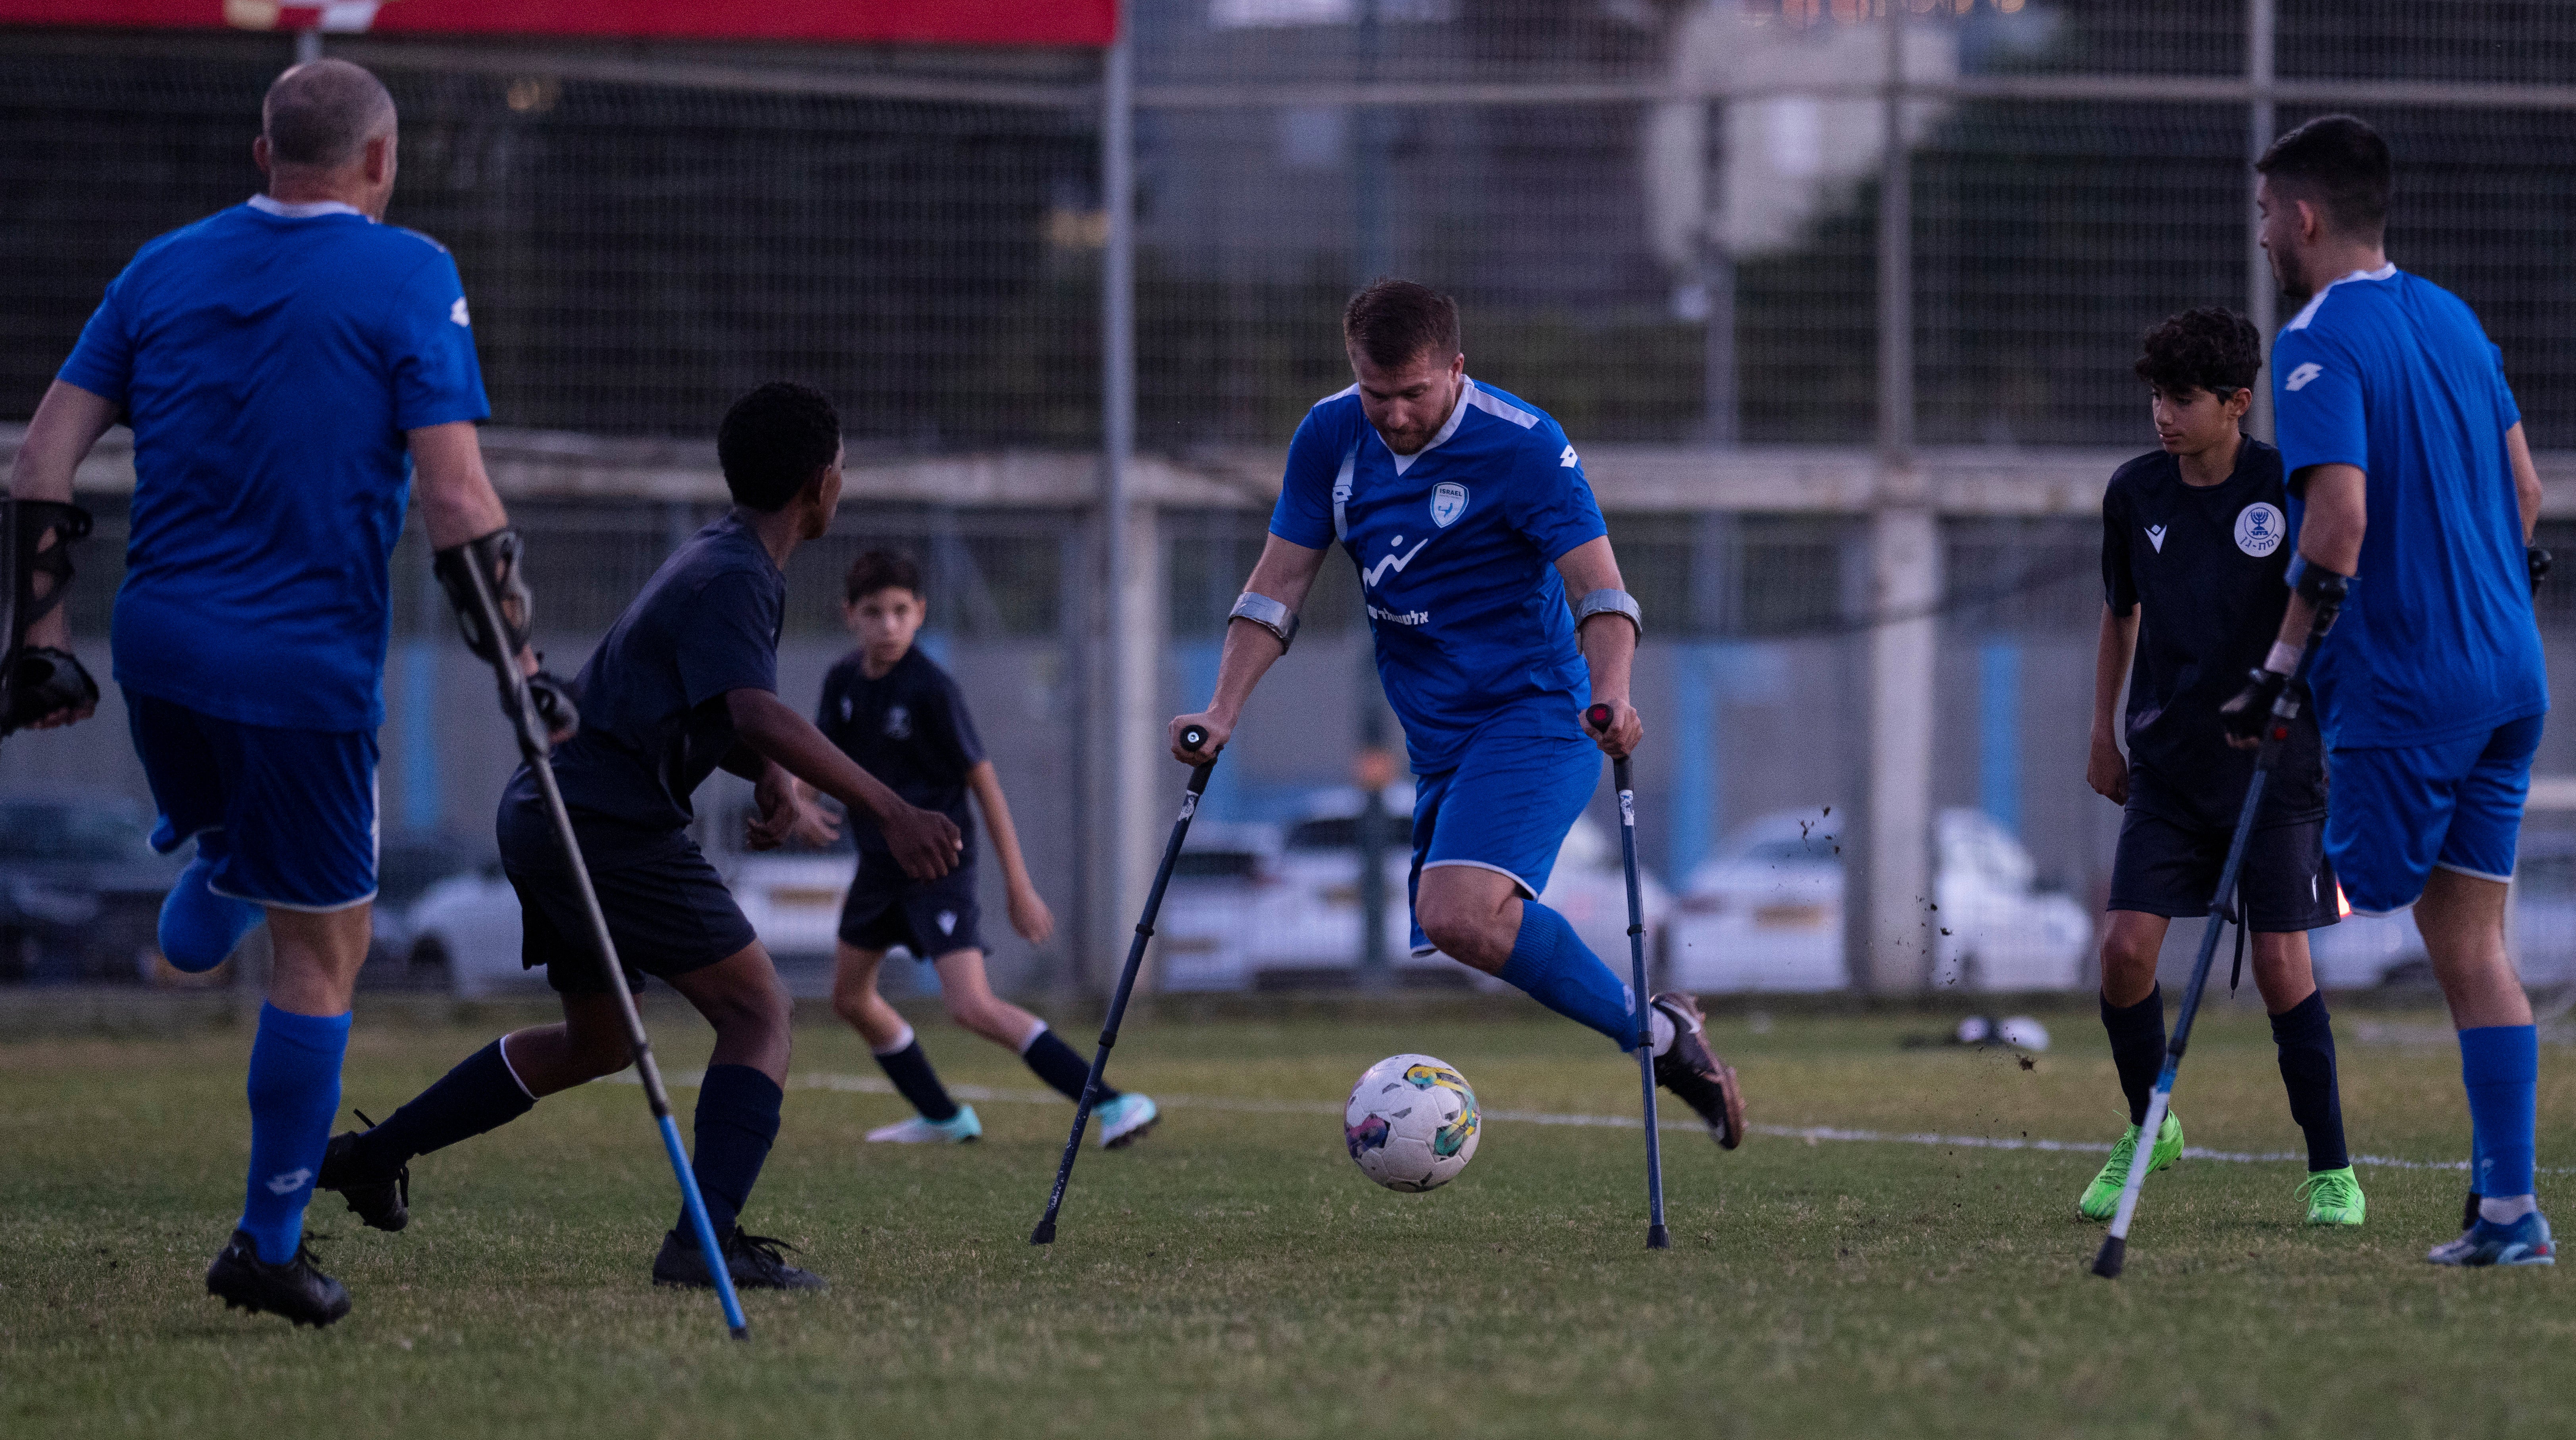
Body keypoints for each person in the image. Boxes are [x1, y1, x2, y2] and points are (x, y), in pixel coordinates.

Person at [7, 59, 540, 1327]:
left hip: (159, 656)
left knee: (248, 874)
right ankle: (266, 1240)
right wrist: (521, 663)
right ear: (381, 162)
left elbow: (40, 455)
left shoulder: (160, 266)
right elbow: (460, 499)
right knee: (328, 950)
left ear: (262, 156)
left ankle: (220, 869)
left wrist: (39, 633)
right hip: (302, 677)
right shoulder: (411, 270)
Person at [315, 384, 963, 1293]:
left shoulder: (718, 555)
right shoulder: (739, 575)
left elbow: (713, 705)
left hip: (548, 812)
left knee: (599, 1042)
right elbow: (754, 707)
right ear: (823, 486)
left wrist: (771, 777)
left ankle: (371, 1155)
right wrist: (889, 809)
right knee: (757, 1015)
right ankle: (706, 1243)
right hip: (604, 824)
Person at [1170, 278, 1746, 1146]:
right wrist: (1221, 710)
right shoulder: (1329, 436)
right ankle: (1666, 1032)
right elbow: (1277, 584)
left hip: (1540, 714)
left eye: (1414, 394)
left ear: (1456, 370)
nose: (1394, 415)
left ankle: (1659, 1040)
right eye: (1376, 393)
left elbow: (1602, 592)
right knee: (1468, 930)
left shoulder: (1523, 445)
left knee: (1459, 914)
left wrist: (1612, 691)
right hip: (1437, 736)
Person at [2234, 114, 2551, 1266]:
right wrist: (2492, 599)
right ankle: (2509, 1212)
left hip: (2411, 687)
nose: (2264, 232)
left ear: (2304, 218)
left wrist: (2277, 670)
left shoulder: (2316, 340)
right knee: (2475, 945)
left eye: (2269, 212)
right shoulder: (2454, 316)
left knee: (2356, 891)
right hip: (2514, 673)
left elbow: (2341, 519)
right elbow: (2524, 490)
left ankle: (2486, 1205)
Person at [2080, 308, 2360, 1227]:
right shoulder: (2133, 493)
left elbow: (2329, 603)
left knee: (2283, 965)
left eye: (2184, 399)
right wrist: (2102, 732)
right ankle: (2147, 1125)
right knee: (2123, 953)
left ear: (2238, 403)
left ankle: (2330, 1171)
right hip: (2166, 765)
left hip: (2273, 769)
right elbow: (2119, 617)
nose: (2163, 414)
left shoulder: (2289, 488)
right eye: (2157, 396)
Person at [814, 550, 1159, 1149]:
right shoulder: (842, 682)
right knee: (849, 997)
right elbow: (816, 755)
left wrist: (1018, 886)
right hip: (878, 869)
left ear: (920, 613)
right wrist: (793, 799)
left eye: (901, 611)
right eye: (875, 612)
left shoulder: (930, 688)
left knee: (971, 1005)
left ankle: (1115, 1103)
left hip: (937, 867)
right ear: (850, 616)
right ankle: (945, 1119)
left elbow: (986, 784)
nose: (889, 625)